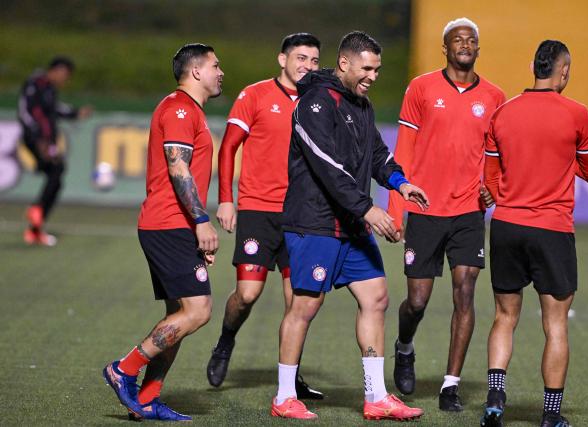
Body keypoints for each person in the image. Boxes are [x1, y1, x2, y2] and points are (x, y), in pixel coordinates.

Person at [271, 31, 428, 421]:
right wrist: (368, 210)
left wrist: (400, 182)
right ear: (345, 63)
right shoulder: (314, 103)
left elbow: (376, 154)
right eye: (367, 68)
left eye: (378, 69)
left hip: (350, 225)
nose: (373, 75)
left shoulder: (361, 105)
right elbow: (327, 165)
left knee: (376, 297)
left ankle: (376, 397)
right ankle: (284, 396)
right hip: (316, 222)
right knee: (305, 305)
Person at [479, 40, 588, 427]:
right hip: (551, 229)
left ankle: (496, 396)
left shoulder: (503, 113)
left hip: (507, 226)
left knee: (504, 315)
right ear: (562, 71)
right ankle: (551, 415)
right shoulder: (577, 114)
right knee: (555, 324)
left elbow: (490, 179)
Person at [387, 17, 505, 410]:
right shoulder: (421, 88)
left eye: (472, 38)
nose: (466, 43)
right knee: (417, 300)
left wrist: (494, 187)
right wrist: (395, 207)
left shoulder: (494, 96)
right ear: (446, 47)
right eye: (458, 39)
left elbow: (496, 155)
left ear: (478, 47)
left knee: (466, 293)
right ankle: (405, 346)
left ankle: (450, 385)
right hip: (424, 207)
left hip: (469, 212)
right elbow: (403, 149)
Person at [102, 43, 223, 422]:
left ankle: (148, 399)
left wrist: (195, 227)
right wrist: (201, 220)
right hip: (168, 223)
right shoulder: (179, 109)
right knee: (198, 311)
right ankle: (123, 369)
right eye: (216, 66)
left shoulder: (192, 112)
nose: (222, 72)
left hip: (176, 225)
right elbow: (178, 169)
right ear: (197, 72)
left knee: (180, 314)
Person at [206, 33, 323, 400]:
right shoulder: (254, 95)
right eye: (301, 58)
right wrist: (226, 200)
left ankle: (291, 378)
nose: (307, 66)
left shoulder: (320, 100)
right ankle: (226, 340)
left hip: (302, 216)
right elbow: (227, 148)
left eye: (314, 61)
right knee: (247, 293)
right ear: (282, 59)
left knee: (298, 305)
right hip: (258, 209)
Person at [18, 56, 92, 246]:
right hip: (37, 139)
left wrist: (75, 113)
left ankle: (35, 228)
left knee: (56, 175)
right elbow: (25, 111)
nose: (65, 80)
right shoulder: (35, 83)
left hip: (46, 141)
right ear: (56, 70)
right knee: (56, 170)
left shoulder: (49, 89)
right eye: (65, 75)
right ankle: (37, 210)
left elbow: (55, 109)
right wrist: (37, 138)